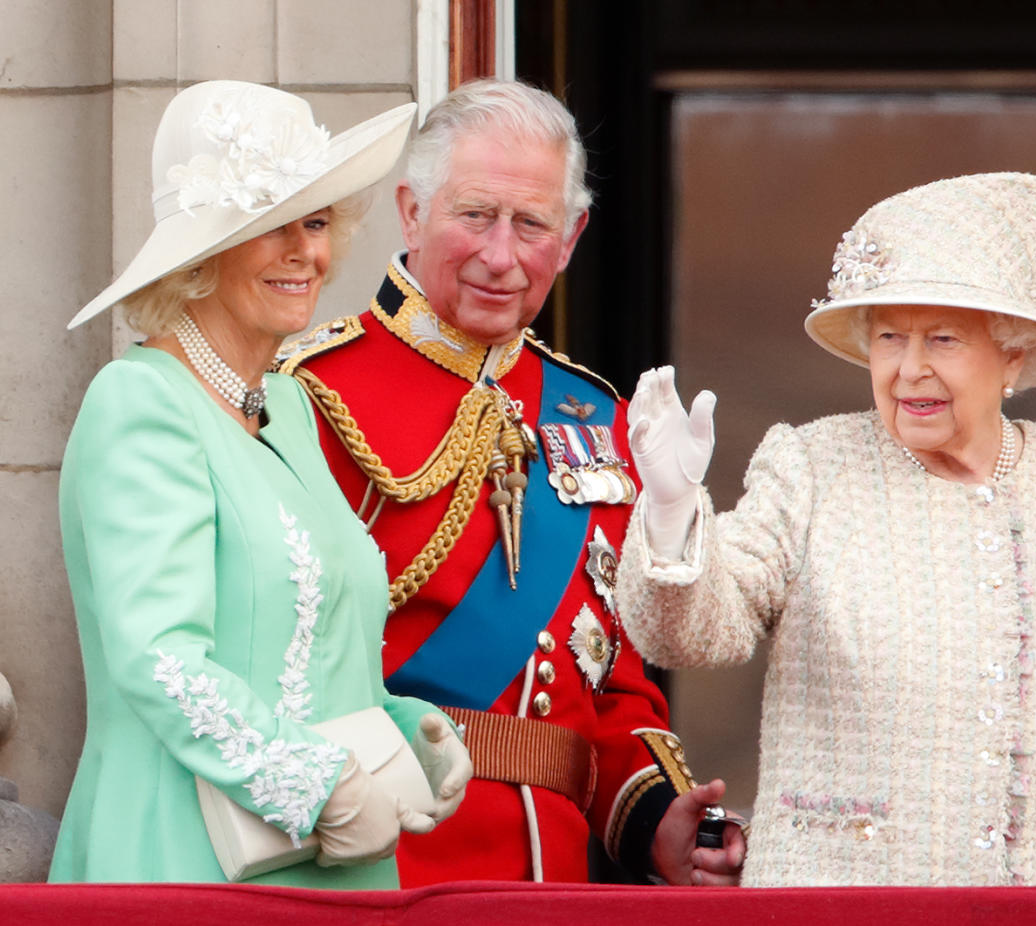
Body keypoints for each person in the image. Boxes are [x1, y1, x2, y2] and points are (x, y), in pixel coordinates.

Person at [616, 172, 1036, 886]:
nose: (910, 370)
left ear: (1013, 355)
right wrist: (674, 507)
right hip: (846, 903)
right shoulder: (812, 465)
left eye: (944, 339)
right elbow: (693, 631)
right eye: (890, 337)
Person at [276, 78, 744, 886]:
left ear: (570, 238)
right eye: (474, 215)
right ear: (412, 210)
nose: (501, 255)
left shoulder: (600, 420)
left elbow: (615, 688)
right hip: (375, 863)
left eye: (531, 224)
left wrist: (660, 823)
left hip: (551, 881)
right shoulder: (306, 393)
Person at [50, 80, 470, 887]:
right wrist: (318, 787)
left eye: (315, 223)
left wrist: (405, 729)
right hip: (184, 866)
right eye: (270, 226)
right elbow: (162, 661)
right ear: (201, 252)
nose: (305, 254)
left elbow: (316, 655)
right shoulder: (138, 403)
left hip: (335, 870)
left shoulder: (287, 404)